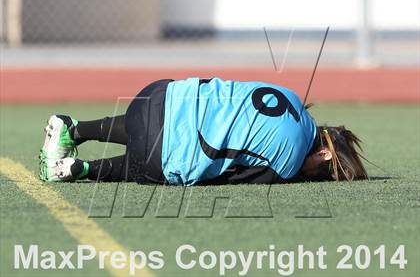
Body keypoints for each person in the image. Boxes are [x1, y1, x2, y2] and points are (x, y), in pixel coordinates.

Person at [39, 78, 368, 185]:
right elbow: (230, 175)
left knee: (169, 120)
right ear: (323, 153)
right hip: (156, 149)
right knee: (177, 160)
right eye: (322, 173)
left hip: (155, 94)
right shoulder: (290, 162)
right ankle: (78, 169)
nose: (313, 176)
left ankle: (73, 128)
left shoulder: (292, 96)